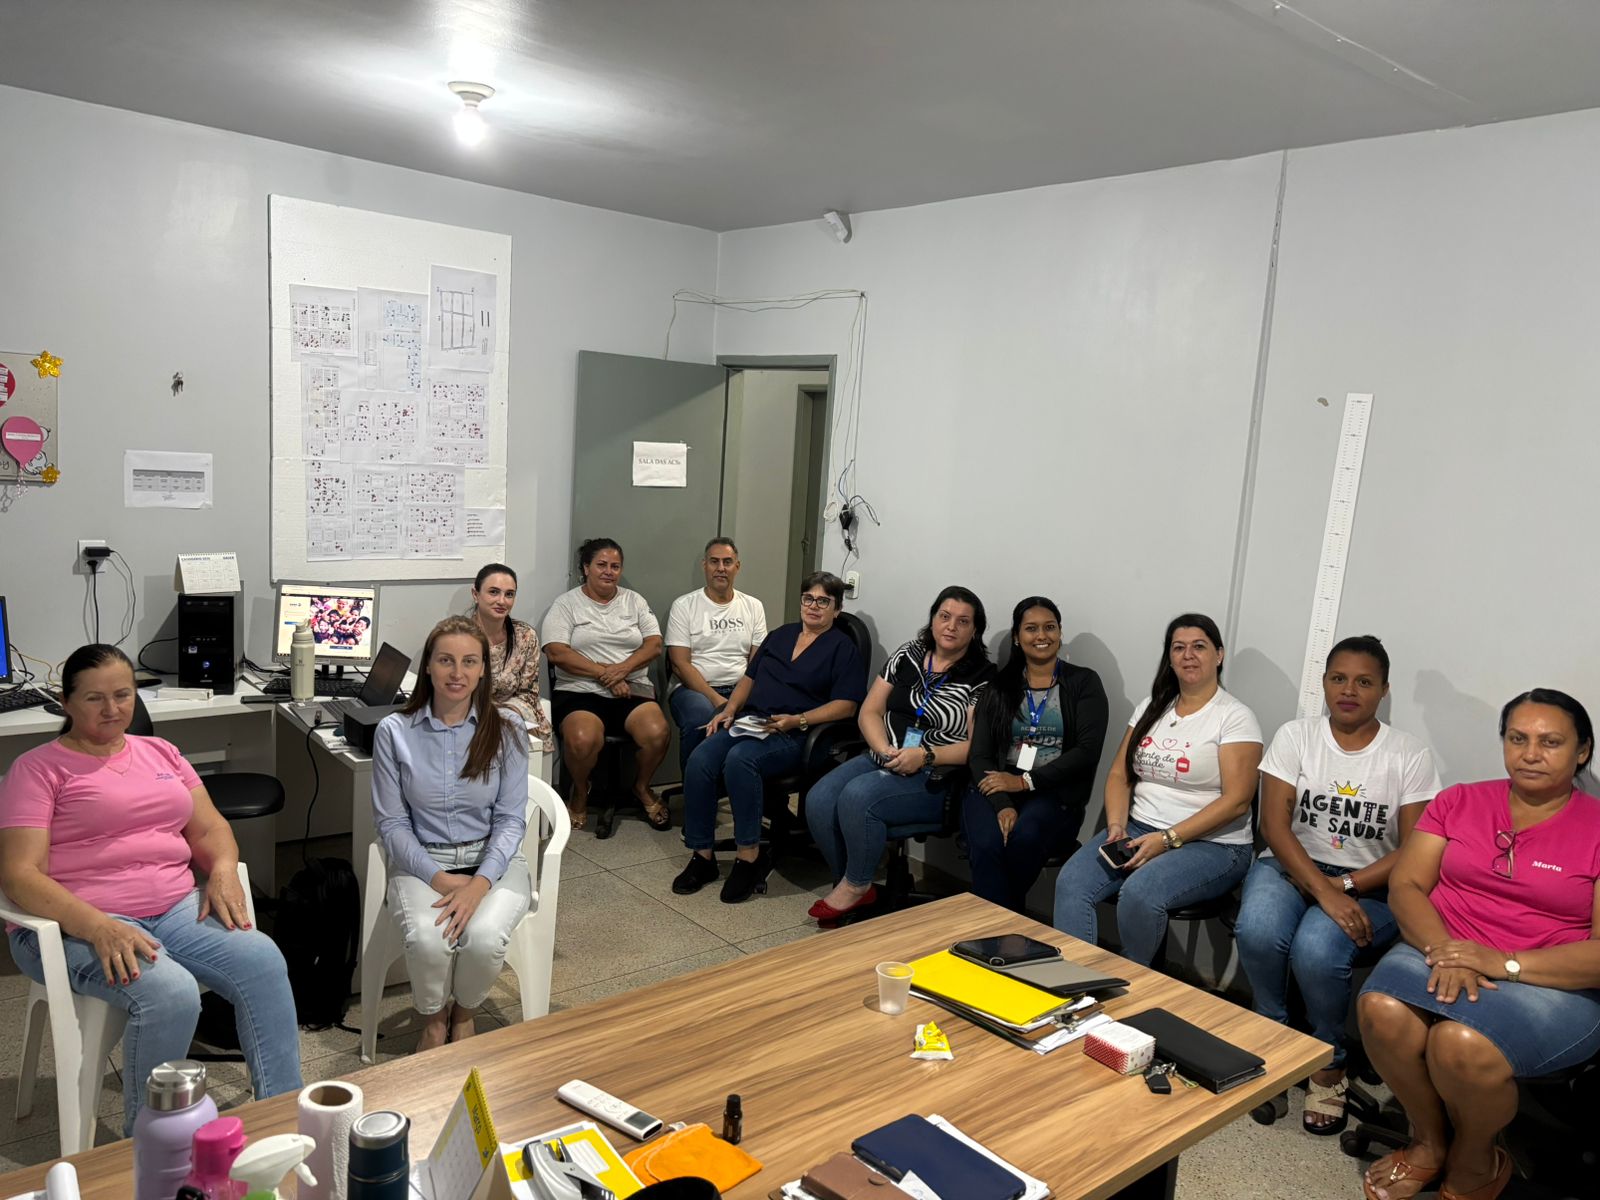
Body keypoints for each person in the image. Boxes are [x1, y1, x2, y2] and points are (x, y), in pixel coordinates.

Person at [0, 645, 301, 1131]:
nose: (112, 709)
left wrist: (224, 868)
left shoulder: (161, 753)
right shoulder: (37, 769)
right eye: (95, 698)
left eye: (123, 695)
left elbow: (209, 828)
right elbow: (19, 875)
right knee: (171, 993)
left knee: (263, 960)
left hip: (174, 908)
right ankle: (152, 1142)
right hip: (75, 924)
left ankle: (283, 1116)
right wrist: (98, 927)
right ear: (66, 702)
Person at [1357, 689, 1600, 1200]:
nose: (1530, 753)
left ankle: (1476, 1157)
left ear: (1582, 751)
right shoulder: (1459, 801)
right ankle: (1429, 1142)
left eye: (1550, 742)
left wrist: (1500, 962)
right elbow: (1406, 885)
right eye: (1518, 738)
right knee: (1381, 1010)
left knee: (1459, 1043)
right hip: (1440, 945)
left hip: (1549, 977)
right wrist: (1447, 949)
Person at [1233, 635, 1441, 1135]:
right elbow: (1274, 825)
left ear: (1383, 690)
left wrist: (1345, 885)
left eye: (1364, 681)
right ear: (1324, 683)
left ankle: (1330, 1058)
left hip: (1372, 882)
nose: (1349, 690)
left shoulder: (1408, 754)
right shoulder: (1296, 736)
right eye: (1338, 678)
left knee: (1317, 948)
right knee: (1257, 928)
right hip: (1290, 865)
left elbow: (1414, 849)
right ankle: (1272, 1036)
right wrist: (1325, 890)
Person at [1052, 613, 1262, 965]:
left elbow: (1238, 801)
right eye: (1178, 648)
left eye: (1199, 646)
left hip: (1213, 845)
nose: (1188, 655)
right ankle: (1074, 982)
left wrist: (1167, 838)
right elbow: (1119, 774)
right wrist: (1116, 826)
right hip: (1139, 829)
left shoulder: (1235, 717)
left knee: (1140, 893)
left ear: (1219, 655)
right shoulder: (1153, 706)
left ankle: (1133, 986)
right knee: (1072, 883)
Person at [371, 616, 531, 1052]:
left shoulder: (508, 729)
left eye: (469, 662)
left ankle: (464, 1014)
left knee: (484, 939)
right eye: (446, 660)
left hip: (493, 863)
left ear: (483, 670)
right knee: (429, 939)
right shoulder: (394, 732)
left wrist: (479, 885)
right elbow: (391, 823)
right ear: (427, 666)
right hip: (424, 861)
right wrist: (440, 879)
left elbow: (511, 820)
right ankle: (433, 1019)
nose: (457, 673)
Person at [673, 572, 866, 903]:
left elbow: (846, 706)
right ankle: (702, 856)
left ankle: (748, 858)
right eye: (808, 598)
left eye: (824, 601)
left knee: (740, 760)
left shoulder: (842, 648)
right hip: (754, 720)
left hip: (799, 733)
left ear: (837, 609)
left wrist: (798, 720)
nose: (814, 606)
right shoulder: (780, 636)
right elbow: (749, 678)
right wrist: (729, 709)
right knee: (701, 757)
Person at [805, 586, 994, 921]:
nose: (951, 626)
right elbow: (870, 711)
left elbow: (975, 747)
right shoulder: (908, 654)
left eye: (963, 621)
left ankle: (856, 887)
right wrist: (884, 748)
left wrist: (925, 756)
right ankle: (851, 883)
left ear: (975, 630)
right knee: (819, 799)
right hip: (884, 753)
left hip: (936, 773)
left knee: (857, 795)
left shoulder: (982, 676)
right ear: (933, 619)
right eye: (944, 616)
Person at [963, 597, 1108, 913]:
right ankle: (1003, 926)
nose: (1041, 635)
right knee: (988, 843)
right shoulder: (999, 687)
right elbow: (980, 755)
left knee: (1025, 837)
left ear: (1060, 632)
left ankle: (993, 925)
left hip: (1053, 792)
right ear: (1017, 637)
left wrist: (1024, 782)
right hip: (996, 785)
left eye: (1049, 627)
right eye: (1031, 628)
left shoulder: (1083, 683)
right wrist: (1002, 803)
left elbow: (1086, 752)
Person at [543, 538, 673, 832]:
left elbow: (654, 645)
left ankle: (641, 787)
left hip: (632, 688)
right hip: (580, 691)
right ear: (585, 568)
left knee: (658, 733)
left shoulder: (634, 601)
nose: (609, 571)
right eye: (601, 565)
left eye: (615, 566)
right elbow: (556, 652)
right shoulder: (566, 604)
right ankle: (580, 791)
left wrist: (623, 670)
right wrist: (606, 675)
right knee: (582, 739)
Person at [665, 537, 769, 768]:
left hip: (740, 687)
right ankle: (696, 787)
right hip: (694, 689)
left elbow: (756, 662)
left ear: (737, 567)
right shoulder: (684, 606)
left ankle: (738, 781)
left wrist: (737, 699)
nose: (721, 568)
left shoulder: (753, 606)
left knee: (767, 716)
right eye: (714, 561)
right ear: (705, 565)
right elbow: (680, 664)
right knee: (700, 717)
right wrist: (718, 700)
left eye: (727, 562)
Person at [466, 562, 554, 753]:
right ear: (475, 594)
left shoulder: (525, 636)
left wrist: (505, 717)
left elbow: (528, 694)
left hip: (515, 718)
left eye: (509, 594)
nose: (502, 601)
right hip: (469, 720)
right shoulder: (458, 637)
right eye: (493, 592)